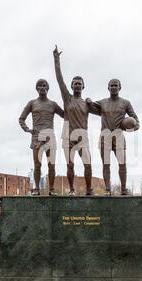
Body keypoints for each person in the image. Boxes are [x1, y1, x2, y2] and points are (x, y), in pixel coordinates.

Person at [53, 45, 100, 196]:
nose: (77, 85)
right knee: (70, 164)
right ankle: (72, 190)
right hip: (67, 136)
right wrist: (56, 59)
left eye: (80, 83)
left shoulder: (86, 103)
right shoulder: (67, 98)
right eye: (75, 83)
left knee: (88, 163)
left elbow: (102, 112)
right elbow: (59, 80)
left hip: (82, 137)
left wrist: (92, 103)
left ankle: (88, 189)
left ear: (83, 86)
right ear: (72, 86)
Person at [86, 79, 140, 195]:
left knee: (122, 164)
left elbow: (136, 123)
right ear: (108, 88)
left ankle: (124, 189)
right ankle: (107, 190)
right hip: (105, 136)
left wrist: (128, 129)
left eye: (116, 85)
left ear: (120, 88)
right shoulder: (102, 103)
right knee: (106, 164)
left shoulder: (125, 103)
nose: (114, 87)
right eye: (112, 85)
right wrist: (89, 101)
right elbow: (90, 108)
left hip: (119, 136)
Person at [19, 78, 64, 195]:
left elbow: (64, 114)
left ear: (47, 88)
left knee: (51, 165)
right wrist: (27, 129)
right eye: (39, 86)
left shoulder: (53, 104)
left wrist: (70, 105)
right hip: (36, 138)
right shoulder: (32, 103)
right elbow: (21, 119)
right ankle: (37, 189)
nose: (42, 88)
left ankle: (52, 189)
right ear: (37, 89)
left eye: (44, 86)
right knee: (37, 165)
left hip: (50, 139)